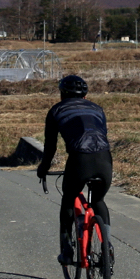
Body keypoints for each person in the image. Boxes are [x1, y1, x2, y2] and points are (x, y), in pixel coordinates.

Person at [37, 74, 112, 264]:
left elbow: (50, 147)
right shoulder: (98, 109)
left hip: (79, 160)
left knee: (68, 201)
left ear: (62, 94)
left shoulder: (56, 110)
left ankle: (67, 248)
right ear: (85, 96)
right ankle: (107, 248)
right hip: (104, 159)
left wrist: (43, 168)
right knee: (98, 200)